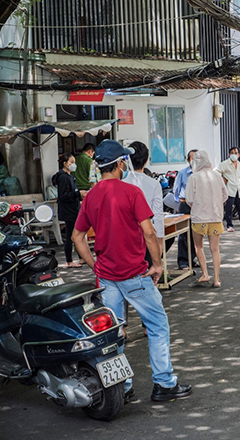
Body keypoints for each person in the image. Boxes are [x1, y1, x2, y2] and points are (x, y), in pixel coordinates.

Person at [71, 139, 192, 402]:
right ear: (120, 164)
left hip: (107, 278)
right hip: (135, 274)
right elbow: (149, 233)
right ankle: (164, 384)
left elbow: (77, 237)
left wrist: (96, 267)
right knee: (158, 326)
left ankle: (122, 389)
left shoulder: (91, 196)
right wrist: (158, 264)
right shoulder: (131, 192)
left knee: (113, 334)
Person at [186, 150, 228, 288]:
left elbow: (189, 199)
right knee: (215, 249)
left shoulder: (193, 177)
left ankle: (205, 274)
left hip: (199, 217)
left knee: (199, 247)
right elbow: (225, 195)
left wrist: (198, 205)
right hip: (215, 216)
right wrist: (215, 204)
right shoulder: (217, 175)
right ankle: (216, 279)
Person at [124, 141, 164, 264]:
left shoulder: (122, 183)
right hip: (147, 236)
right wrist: (160, 241)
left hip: (125, 237)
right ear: (146, 161)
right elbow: (157, 215)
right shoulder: (154, 184)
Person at [56, 153, 87, 268]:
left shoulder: (69, 176)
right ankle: (69, 260)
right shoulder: (63, 177)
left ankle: (81, 257)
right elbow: (63, 195)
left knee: (77, 234)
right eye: (71, 162)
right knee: (71, 235)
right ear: (65, 164)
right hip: (68, 211)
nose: (74, 165)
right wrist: (77, 194)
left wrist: (79, 194)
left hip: (73, 209)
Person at [215, 147, 240, 231]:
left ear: (239, 155)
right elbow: (215, 172)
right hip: (229, 189)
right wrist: (222, 179)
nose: (234, 155)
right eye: (232, 153)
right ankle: (229, 226)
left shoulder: (239, 164)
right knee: (228, 209)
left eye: (236, 153)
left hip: (238, 189)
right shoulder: (224, 164)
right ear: (229, 154)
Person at [172, 150, 199, 270]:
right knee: (183, 234)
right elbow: (176, 191)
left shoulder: (201, 174)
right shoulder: (182, 173)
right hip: (185, 205)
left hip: (198, 206)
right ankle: (183, 261)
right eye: (192, 158)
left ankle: (191, 258)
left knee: (196, 234)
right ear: (188, 160)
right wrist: (183, 201)